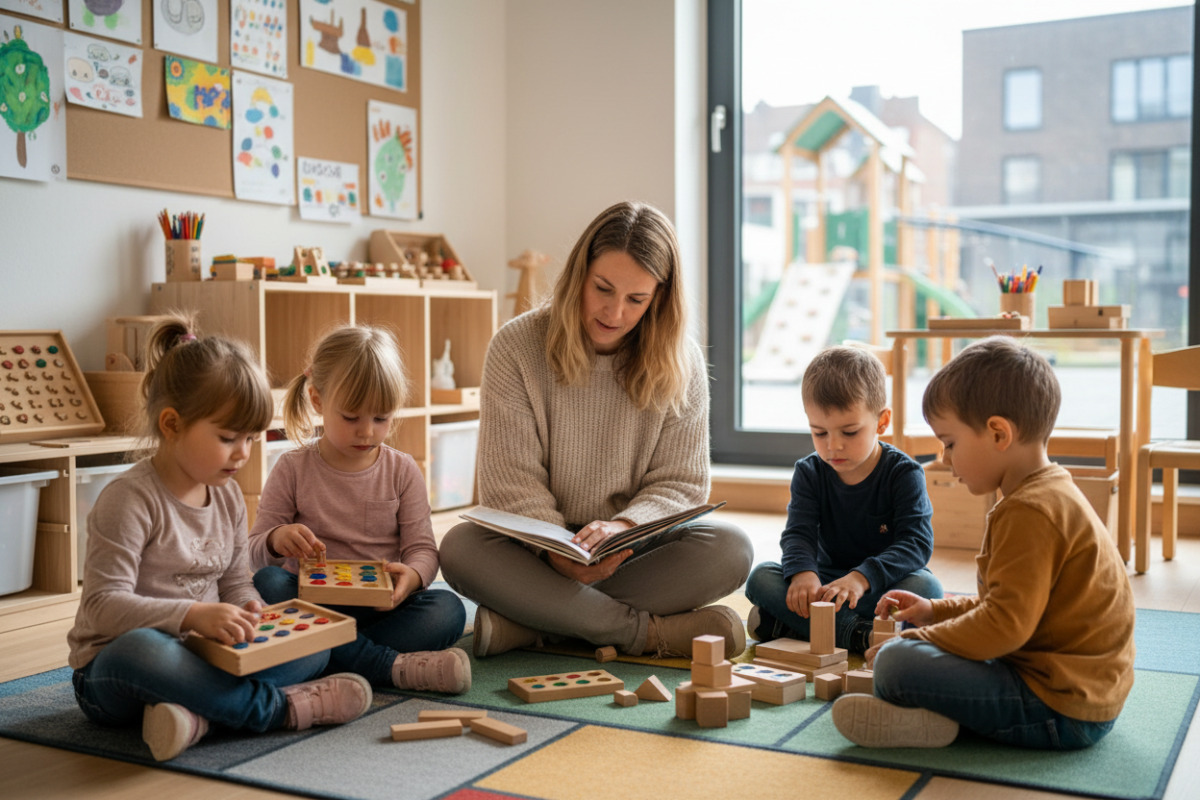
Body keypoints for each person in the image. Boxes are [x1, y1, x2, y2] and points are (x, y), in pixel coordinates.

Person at [439, 200, 754, 659]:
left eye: (636, 299)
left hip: (630, 552)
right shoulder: (515, 346)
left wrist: (625, 526)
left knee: (732, 549)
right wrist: (556, 551)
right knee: (460, 548)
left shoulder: (680, 361)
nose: (615, 312)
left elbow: (681, 484)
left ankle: (535, 624)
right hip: (536, 551)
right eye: (602, 288)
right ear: (578, 276)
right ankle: (645, 635)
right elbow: (510, 480)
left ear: (660, 298)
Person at [68, 315, 372, 763]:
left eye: (252, 437)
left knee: (317, 644)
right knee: (140, 651)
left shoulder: (228, 495)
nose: (244, 453)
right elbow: (102, 606)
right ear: (171, 425)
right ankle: (275, 709)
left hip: (205, 657)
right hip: (115, 673)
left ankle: (197, 717)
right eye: (228, 437)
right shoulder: (128, 500)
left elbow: (234, 581)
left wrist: (255, 612)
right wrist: (193, 615)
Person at [832, 337, 1135, 750]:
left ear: (998, 433)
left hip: (1059, 709)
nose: (943, 459)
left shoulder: (1030, 512)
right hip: (1082, 696)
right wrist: (934, 611)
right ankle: (932, 717)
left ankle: (936, 722)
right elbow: (1007, 606)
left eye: (951, 443)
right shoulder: (1047, 492)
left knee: (896, 663)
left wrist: (918, 639)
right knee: (908, 654)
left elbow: (1004, 627)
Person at [248, 324, 469, 694]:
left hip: (380, 608)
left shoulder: (402, 470)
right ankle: (386, 666)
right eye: (351, 417)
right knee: (267, 583)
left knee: (448, 610)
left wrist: (412, 577)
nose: (366, 432)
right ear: (317, 400)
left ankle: (329, 655)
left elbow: (422, 549)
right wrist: (277, 539)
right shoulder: (292, 468)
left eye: (381, 418)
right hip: (311, 604)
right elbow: (254, 550)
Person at [744, 345, 942, 654]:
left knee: (927, 589)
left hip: (880, 582)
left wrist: (862, 577)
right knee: (761, 578)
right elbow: (799, 532)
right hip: (826, 583)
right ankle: (862, 636)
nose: (833, 446)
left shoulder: (904, 473)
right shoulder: (809, 471)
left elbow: (916, 544)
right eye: (819, 433)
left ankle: (789, 627)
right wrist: (803, 573)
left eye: (849, 432)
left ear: (881, 422)